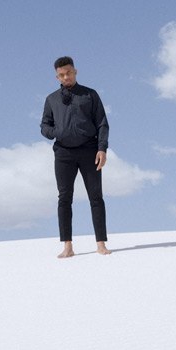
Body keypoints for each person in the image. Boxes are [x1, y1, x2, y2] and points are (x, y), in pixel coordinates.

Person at [41, 56, 111, 258]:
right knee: (64, 198)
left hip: (90, 151)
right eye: (61, 75)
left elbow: (102, 123)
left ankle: (101, 244)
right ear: (57, 77)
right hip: (63, 153)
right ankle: (68, 247)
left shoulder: (90, 95)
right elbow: (44, 125)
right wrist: (56, 132)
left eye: (68, 73)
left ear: (75, 72)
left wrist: (102, 148)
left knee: (96, 197)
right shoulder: (51, 99)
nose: (66, 77)